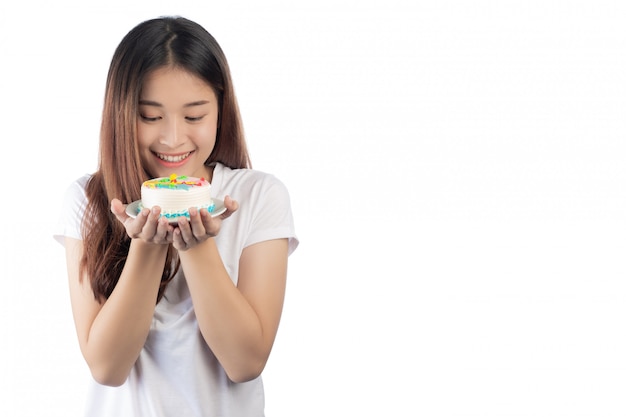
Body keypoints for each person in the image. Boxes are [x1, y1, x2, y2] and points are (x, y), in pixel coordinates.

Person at [54, 16, 298, 417]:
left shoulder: (258, 196)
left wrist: (197, 246)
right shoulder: (89, 200)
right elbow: (107, 368)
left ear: (221, 109)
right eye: (150, 117)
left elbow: (245, 363)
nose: (172, 138)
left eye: (194, 116)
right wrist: (147, 245)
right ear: (120, 114)